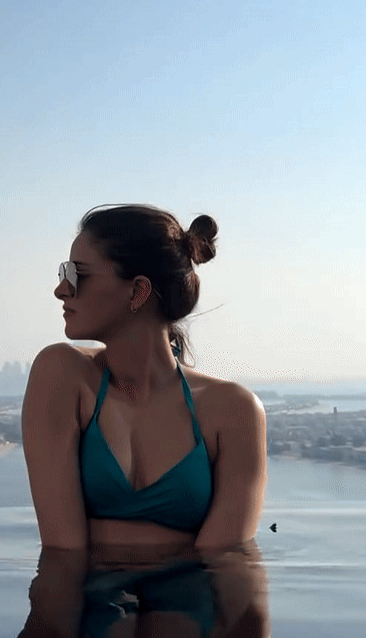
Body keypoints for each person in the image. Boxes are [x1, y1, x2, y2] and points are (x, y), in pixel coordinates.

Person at [21, 204, 266, 550]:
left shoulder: (236, 411)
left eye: (77, 275)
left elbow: (226, 564)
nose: (61, 290)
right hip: (92, 590)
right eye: (64, 273)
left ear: (138, 291)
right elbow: (62, 551)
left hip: (195, 589)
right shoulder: (60, 374)